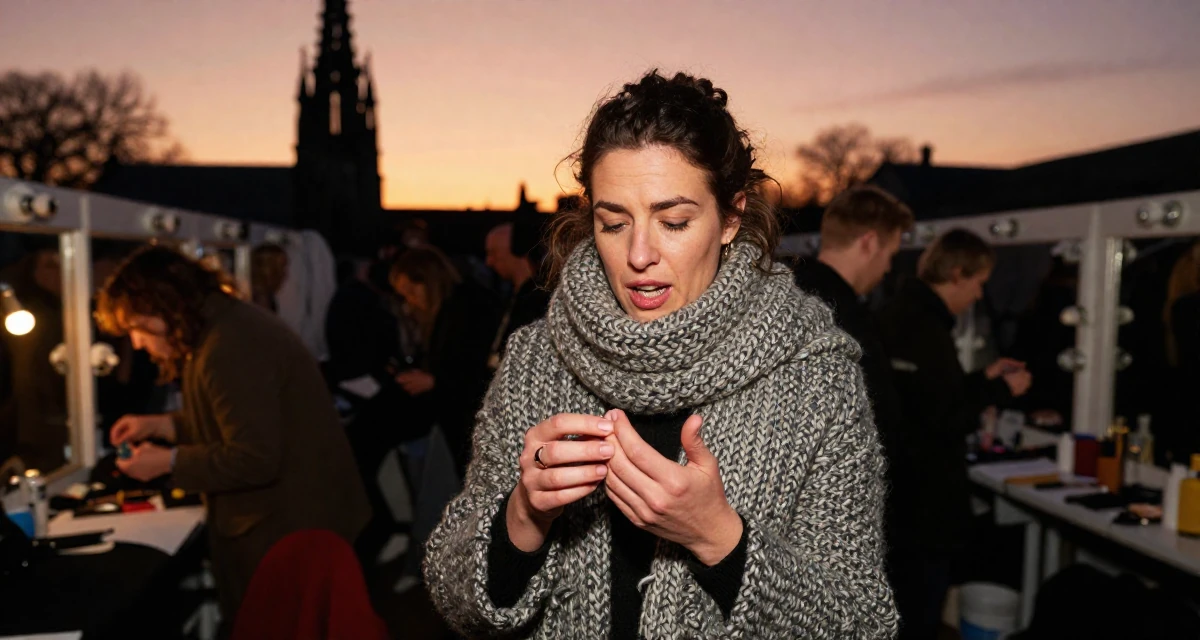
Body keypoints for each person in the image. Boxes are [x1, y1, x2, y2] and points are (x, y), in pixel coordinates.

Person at [423, 70, 897, 638]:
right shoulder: (537, 361)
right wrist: (524, 515)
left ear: (732, 217)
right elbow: (453, 597)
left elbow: (861, 623)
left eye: (673, 221)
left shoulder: (817, 378)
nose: (639, 254)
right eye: (613, 222)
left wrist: (718, 538)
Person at [95, 246, 370, 622]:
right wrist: (161, 426)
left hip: (290, 531)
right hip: (294, 521)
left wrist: (169, 462)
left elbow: (254, 457)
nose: (138, 343)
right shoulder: (221, 328)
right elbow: (234, 420)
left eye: (138, 328)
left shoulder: (230, 344)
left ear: (166, 305)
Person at [878, 229, 1031, 640]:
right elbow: (944, 416)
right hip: (921, 509)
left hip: (901, 502)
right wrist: (1002, 390)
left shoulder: (901, 315)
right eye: (979, 283)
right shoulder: (924, 328)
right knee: (916, 617)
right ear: (959, 273)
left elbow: (931, 395)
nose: (980, 295)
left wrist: (984, 377)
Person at [792, 185, 912, 466]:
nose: (887, 269)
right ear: (869, 243)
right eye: (890, 255)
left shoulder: (787, 293)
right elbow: (880, 426)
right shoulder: (848, 321)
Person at [388, 245, 502, 475]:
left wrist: (436, 381)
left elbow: (475, 368)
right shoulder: (453, 307)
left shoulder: (466, 307)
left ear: (426, 282)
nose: (410, 303)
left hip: (472, 420)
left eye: (411, 292)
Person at [484, 220, 552, 370]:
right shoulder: (510, 295)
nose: (489, 261)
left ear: (516, 251)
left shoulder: (537, 301)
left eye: (493, 253)